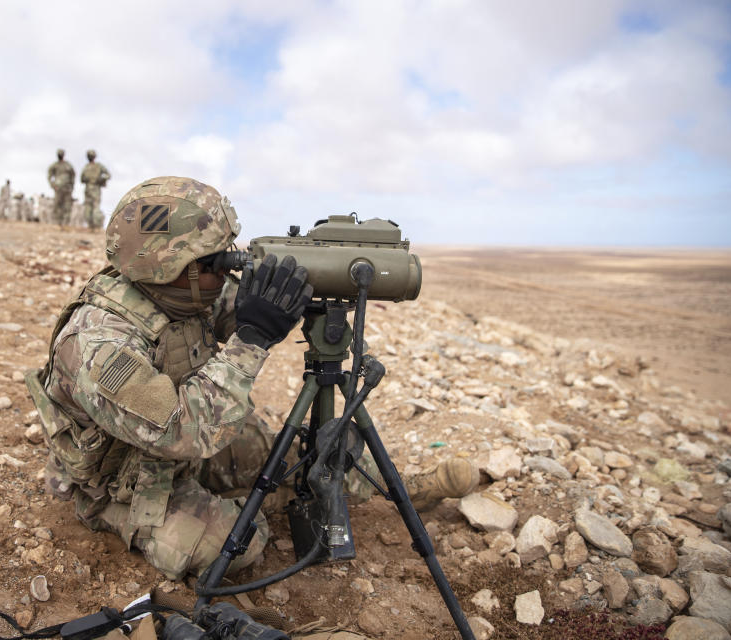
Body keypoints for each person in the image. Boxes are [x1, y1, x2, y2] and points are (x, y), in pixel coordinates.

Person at [26, 176, 478, 580]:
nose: (225, 271)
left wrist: (290, 289)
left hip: (177, 449)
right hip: (122, 477)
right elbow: (183, 431)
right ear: (172, 270)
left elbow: (234, 309)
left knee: (299, 453)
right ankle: (265, 502)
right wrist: (254, 338)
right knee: (239, 544)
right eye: (213, 263)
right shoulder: (97, 344)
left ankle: (393, 490)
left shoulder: (181, 293)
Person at [80, 149, 110, 231]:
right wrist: (100, 179)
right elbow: (82, 179)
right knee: (90, 207)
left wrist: (100, 180)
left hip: (92, 189)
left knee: (93, 207)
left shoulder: (93, 166)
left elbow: (108, 175)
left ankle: (95, 226)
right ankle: (92, 226)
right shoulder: (90, 166)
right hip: (91, 189)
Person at [47, 148, 75, 226]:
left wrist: (72, 186)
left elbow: (73, 176)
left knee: (67, 206)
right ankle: (57, 223)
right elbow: (49, 176)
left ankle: (65, 223)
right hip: (58, 189)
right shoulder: (54, 166)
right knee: (57, 205)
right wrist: (53, 185)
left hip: (67, 189)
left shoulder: (68, 165)